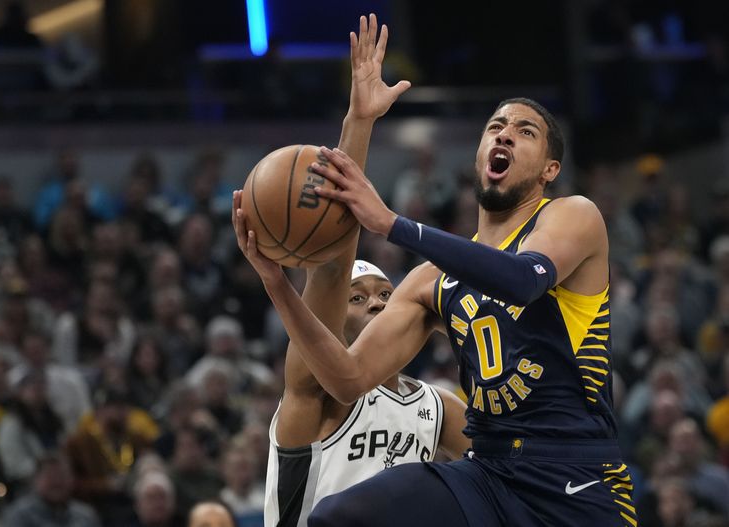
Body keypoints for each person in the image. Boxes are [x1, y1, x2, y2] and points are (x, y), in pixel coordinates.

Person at [234, 94, 637, 524]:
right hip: (488, 473)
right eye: (496, 126)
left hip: (574, 473)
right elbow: (345, 379)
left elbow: (521, 281)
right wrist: (276, 284)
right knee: (339, 517)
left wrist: (392, 223)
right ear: (480, 153)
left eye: (525, 131)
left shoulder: (573, 215)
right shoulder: (432, 280)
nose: (505, 133)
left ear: (549, 170)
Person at [237, 14, 470, 527]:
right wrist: (358, 123)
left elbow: (507, 468)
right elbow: (334, 254)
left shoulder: (436, 407)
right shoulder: (313, 392)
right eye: (358, 297)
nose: (379, 303)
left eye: (385, 295)